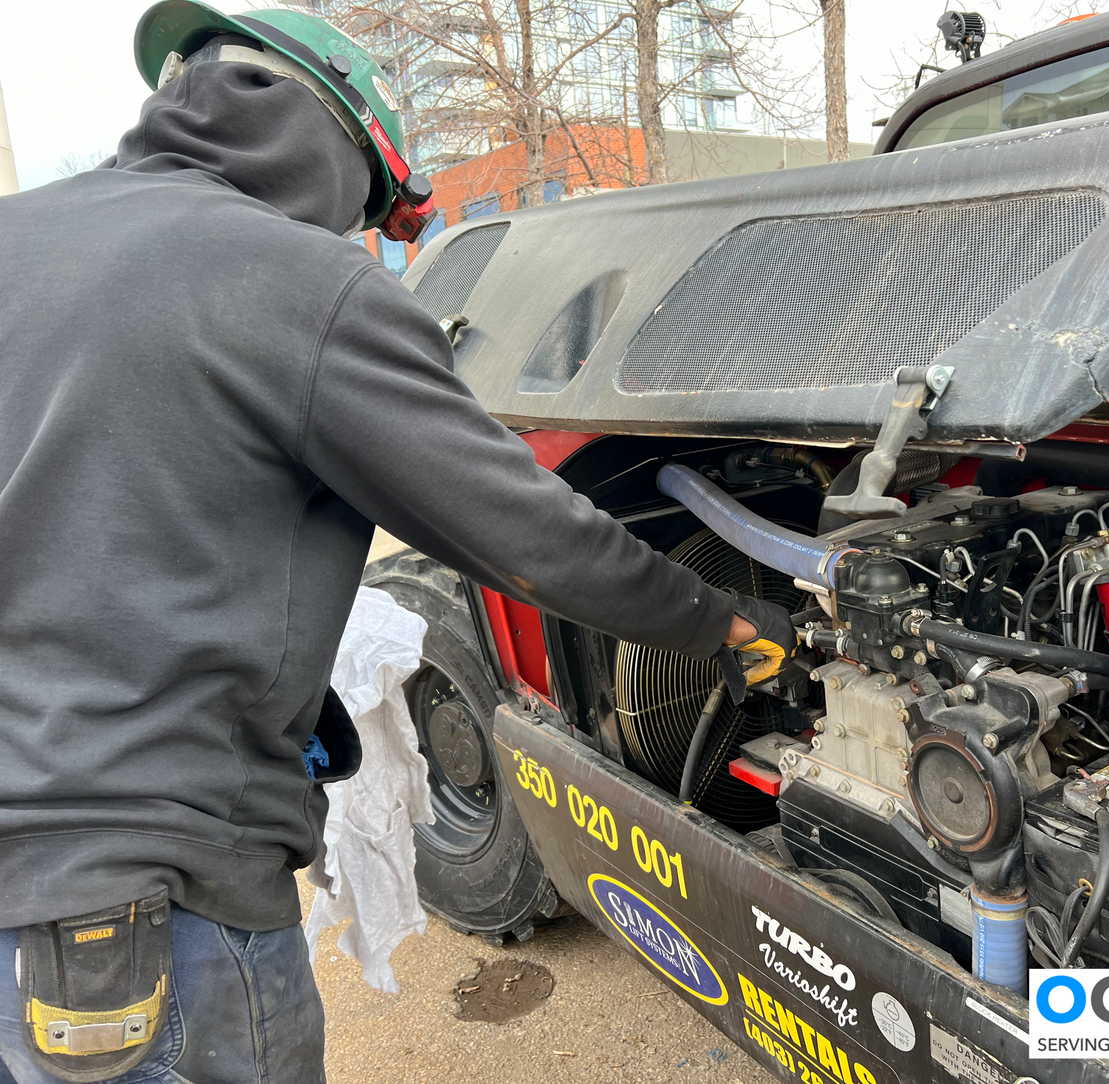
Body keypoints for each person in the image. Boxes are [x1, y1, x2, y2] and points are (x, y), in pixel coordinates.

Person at [0, 3, 796, 1081]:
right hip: (138, 899)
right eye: (363, 208)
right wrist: (721, 622)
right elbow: (525, 535)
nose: (351, 234)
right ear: (339, 149)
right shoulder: (292, 279)